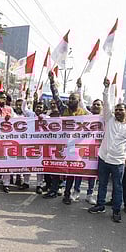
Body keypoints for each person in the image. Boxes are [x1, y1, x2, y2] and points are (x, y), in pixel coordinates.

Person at [88, 78, 126, 223]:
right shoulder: (109, 119)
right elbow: (107, 104)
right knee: (102, 183)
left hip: (118, 162)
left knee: (117, 187)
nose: (117, 111)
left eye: (120, 110)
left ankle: (116, 210)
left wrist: (124, 150)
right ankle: (100, 205)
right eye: (116, 109)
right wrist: (106, 88)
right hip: (103, 158)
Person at [42, 73, 89, 203]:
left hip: (75, 147)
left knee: (71, 171)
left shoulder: (84, 113)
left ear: (78, 101)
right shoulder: (63, 110)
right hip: (61, 145)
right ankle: (54, 190)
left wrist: (80, 88)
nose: (70, 100)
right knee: (57, 168)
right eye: (69, 98)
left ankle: (67, 194)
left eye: (73, 98)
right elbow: (56, 96)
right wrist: (52, 81)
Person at [85, 99, 104, 205]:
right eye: (94, 104)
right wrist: (80, 88)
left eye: (98, 104)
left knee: (93, 173)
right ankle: (76, 191)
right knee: (80, 171)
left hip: (98, 150)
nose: (96, 106)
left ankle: (89, 195)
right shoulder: (87, 116)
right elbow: (82, 104)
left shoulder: (105, 118)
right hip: (84, 148)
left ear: (102, 107)